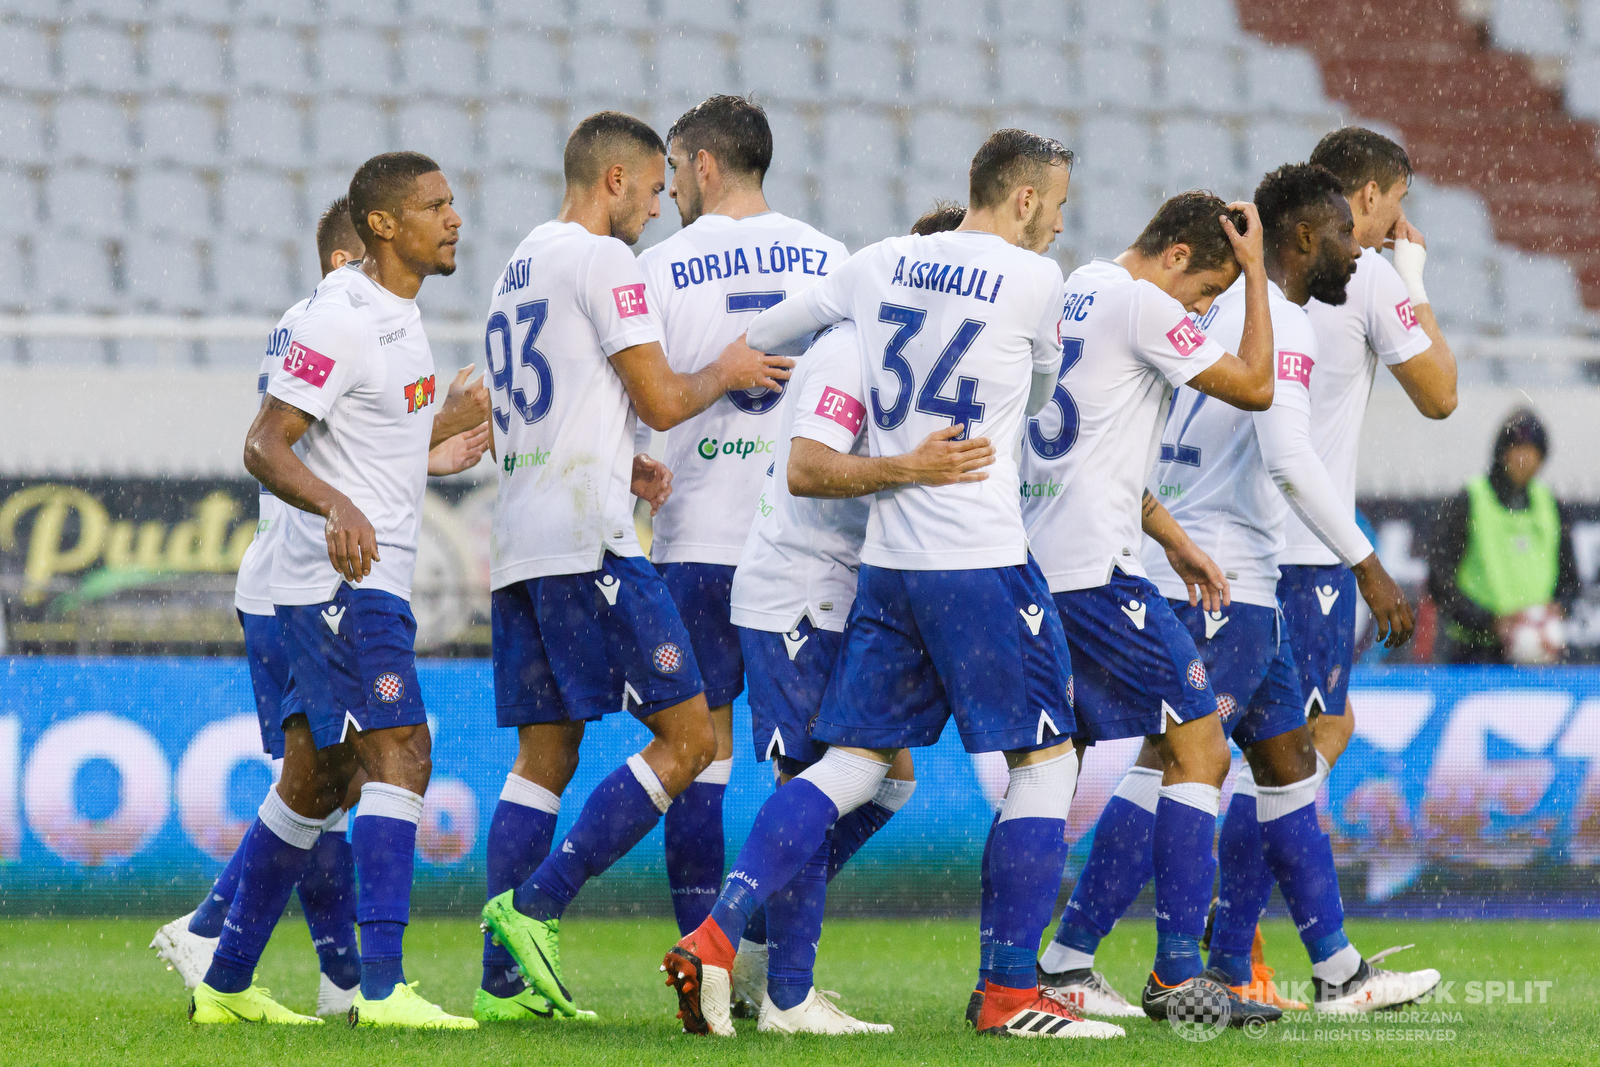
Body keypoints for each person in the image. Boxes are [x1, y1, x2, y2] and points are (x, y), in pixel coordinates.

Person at [665, 128, 1124, 1040]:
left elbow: (772, 332)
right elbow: (1034, 404)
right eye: (1059, 204)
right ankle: (1006, 991)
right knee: (1045, 763)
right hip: (979, 552)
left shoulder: (877, 264)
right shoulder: (1040, 281)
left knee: (852, 765)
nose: (1060, 222)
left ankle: (716, 936)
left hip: (889, 569)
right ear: (1024, 199)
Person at [1063, 162, 1436, 1013]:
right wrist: (1365, 561)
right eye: (1344, 232)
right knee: (1174, 758)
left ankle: (1338, 970)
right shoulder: (1289, 325)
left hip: (1230, 571)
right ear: (1304, 237)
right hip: (1224, 578)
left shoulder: (1215, 305)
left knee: (1288, 761)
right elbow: (1288, 457)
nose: (1356, 247)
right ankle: (1074, 957)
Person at [476, 111, 792, 1022]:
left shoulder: (517, 264)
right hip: (591, 540)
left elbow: (544, 398)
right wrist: (726, 369)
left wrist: (622, 457)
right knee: (693, 739)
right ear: (615, 179)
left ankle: (502, 981)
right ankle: (537, 908)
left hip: (522, 540)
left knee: (543, 754)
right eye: (652, 190)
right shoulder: (604, 260)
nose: (657, 210)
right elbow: (660, 392)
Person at [190, 152, 489, 1029]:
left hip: (365, 572)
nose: (454, 217)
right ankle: (384, 989)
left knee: (318, 784)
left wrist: (444, 432)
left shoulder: (396, 314)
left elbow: (365, 440)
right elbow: (264, 444)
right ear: (384, 226)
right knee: (405, 752)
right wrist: (339, 505)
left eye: (452, 202)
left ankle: (227, 977)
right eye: (434, 206)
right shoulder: (345, 317)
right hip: (340, 579)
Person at [1020, 190, 1284, 1027]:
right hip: (1097, 575)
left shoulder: (1071, 290)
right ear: (1174, 257)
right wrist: (1253, 276)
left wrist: (1169, 534)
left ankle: (1029, 970)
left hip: (1038, 566)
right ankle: (1176, 972)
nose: (1202, 310)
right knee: (1201, 742)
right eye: (1202, 293)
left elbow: (1089, 451)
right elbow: (1254, 385)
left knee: (1047, 771)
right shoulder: (1140, 300)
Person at [1215, 125, 1461, 1002]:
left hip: (1232, 538)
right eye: (1394, 204)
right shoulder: (1368, 271)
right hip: (1305, 550)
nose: (1395, 223)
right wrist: (1418, 280)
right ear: (1365, 198)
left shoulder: (1259, 273)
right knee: (1291, 749)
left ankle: (1255, 953)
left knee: (1266, 744)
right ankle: (1235, 950)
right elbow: (1440, 394)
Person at [717, 202, 975, 1033]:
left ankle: (755, 950)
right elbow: (807, 470)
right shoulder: (848, 349)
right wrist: (914, 468)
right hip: (798, 590)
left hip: (844, 594)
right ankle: (783, 989)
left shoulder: (923, 364)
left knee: (887, 775)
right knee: (818, 781)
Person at [635, 95, 848, 943]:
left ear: (704, 165)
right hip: (806, 547)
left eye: (676, 170)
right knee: (821, 768)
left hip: (698, 539)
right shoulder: (836, 261)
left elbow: (636, 398)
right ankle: (767, 952)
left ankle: (703, 950)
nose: (669, 190)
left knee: (699, 755)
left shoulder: (658, 266)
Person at [1427, 408, 1580, 664]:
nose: (1524, 460)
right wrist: (1490, 623)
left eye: (1532, 452)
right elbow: (1439, 581)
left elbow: (1570, 580)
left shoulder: (1551, 505)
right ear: (1501, 453)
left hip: (1536, 653)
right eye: (1517, 449)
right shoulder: (1469, 501)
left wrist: (1557, 609)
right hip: (1474, 653)